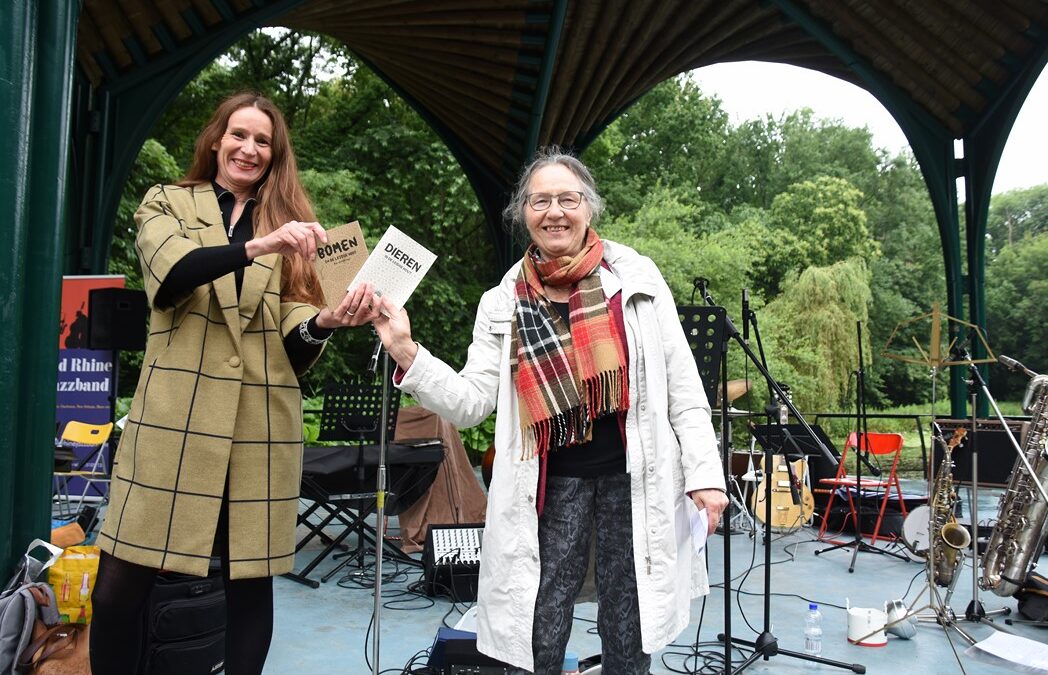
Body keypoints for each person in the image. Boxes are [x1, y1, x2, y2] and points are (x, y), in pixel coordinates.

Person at [370, 148, 728, 674]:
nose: (555, 211)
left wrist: (705, 474)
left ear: (589, 208)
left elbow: (683, 387)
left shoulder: (638, 278)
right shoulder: (502, 300)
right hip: (549, 484)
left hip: (636, 480)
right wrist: (405, 350)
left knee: (629, 626)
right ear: (524, 213)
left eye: (568, 198)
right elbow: (471, 402)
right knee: (541, 621)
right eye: (541, 200)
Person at [90, 92, 372, 674]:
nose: (249, 148)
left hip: (261, 429)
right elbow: (172, 274)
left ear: (274, 155)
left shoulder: (295, 230)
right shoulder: (165, 202)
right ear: (215, 140)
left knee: (252, 586)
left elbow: (293, 341)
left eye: (262, 141)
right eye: (238, 135)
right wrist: (258, 245)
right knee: (117, 587)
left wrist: (324, 322)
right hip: (171, 425)